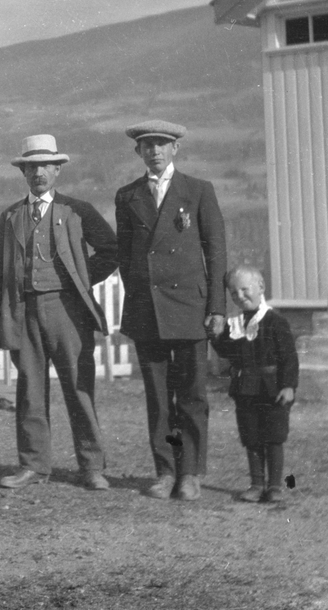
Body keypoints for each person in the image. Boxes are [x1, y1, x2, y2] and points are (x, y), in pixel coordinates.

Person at [0, 135, 118, 491]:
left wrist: (80, 278)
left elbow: (110, 249)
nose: (38, 172)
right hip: (23, 311)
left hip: (67, 310)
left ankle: (91, 466)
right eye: (31, 166)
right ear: (23, 172)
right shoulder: (10, 216)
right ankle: (33, 466)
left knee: (79, 388)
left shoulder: (78, 211)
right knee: (30, 391)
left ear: (58, 170)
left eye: (45, 165)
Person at [115, 120, 227, 501]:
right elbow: (126, 258)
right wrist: (137, 302)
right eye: (147, 145)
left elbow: (216, 252)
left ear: (175, 148)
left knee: (192, 395)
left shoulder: (197, 191)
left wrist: (216, 308)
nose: (155, 151)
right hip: (149, 312)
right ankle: (165, 471)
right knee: (159, 397)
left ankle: (190, 473)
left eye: (162, 144)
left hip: (191, 309)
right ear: (138, 152)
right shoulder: (127, 196)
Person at [210, 265, 299, 503]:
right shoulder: (235, 324)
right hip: (245, 389)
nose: (240, 296)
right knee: (251, 437)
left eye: (244, 289)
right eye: (233, 293)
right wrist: (216, 336)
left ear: (261, 287)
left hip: (273, 389)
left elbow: (289, 357)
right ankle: (257, 484)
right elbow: (228, 352)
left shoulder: (275, 321)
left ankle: (274, 486)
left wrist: (288, 386)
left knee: (273, 436)